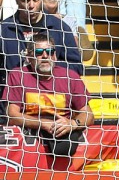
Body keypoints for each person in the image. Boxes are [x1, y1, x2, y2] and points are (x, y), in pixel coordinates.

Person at [2, 32, 93, 162]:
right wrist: (44, 123)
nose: (45, 56)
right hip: (27, 140)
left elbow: (88, 115)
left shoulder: (70, 76)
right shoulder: (18, 75)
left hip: (62, 137)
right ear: (29, 56)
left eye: (50, 51)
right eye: (39, 52)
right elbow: (12, 115)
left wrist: (72, 124)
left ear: (55, 56)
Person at [0, 0, 83, 77]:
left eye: (35, 0)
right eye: (25, 0)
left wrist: (47, 64)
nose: (31, 5)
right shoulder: (4, 30)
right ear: (16, 0)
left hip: (50, 89)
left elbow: (77, 67)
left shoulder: (60, 28)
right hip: (15, 89)